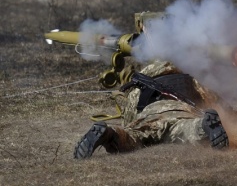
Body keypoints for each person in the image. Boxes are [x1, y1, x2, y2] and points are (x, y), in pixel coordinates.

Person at [73, 60, 229, 159]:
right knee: (190, 130)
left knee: (131, 137)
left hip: (149, 116)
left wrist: (130, 126)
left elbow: (130, 114)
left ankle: (109, 133)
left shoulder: (140, 84)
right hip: (180, 113)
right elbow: (211, 100)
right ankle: (204, 126)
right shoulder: (190, 80)